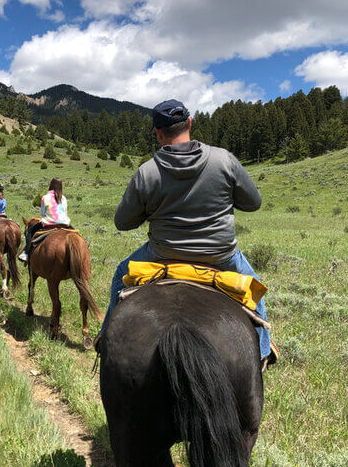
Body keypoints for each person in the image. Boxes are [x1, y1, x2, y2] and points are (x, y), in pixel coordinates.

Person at [101, 99, 274, 367]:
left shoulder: (147, 172)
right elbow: (254, 203)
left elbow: (122, 222)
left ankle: (105, 340)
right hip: (221, 257)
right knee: (254, 286)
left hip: (162, 256)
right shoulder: (224, 160)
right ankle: (263, 351)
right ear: (190, 124)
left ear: (158, 134)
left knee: (119, 274)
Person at [19, 177, 70, 263]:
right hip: (64, 224)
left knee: (29, 232)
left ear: (51, 185)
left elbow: (42, 213)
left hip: (49, 223)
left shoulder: (45, 197)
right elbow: (65, 212)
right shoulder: (63, 198)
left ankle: (26, 254)